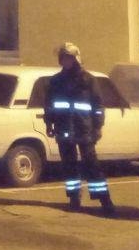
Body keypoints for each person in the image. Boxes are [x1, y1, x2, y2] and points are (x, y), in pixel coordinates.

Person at [43, 42, 115, 215]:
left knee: (92, 165)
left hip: (84, 128)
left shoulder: (88, 80)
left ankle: (105, 201)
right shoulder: (56, 81)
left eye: (68, 58)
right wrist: (49, 123)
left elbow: (98, 105)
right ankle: (74, 198)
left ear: (76, 59)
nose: (65, 61)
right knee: (69, 165)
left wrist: (98, 126)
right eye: (63, 58)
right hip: (63, 127)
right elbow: (49, 104)